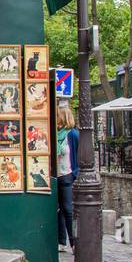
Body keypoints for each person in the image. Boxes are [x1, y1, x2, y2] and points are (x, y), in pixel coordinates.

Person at [54, 104, 79, 252]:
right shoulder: (56, 135)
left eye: (58, 116)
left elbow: (79, 156)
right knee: (59, 210)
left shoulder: (72, 135)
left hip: (66, 175)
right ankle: (61, 241)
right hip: (57, 176)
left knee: (68, 209)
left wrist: (73, 175)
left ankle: (74, 242)